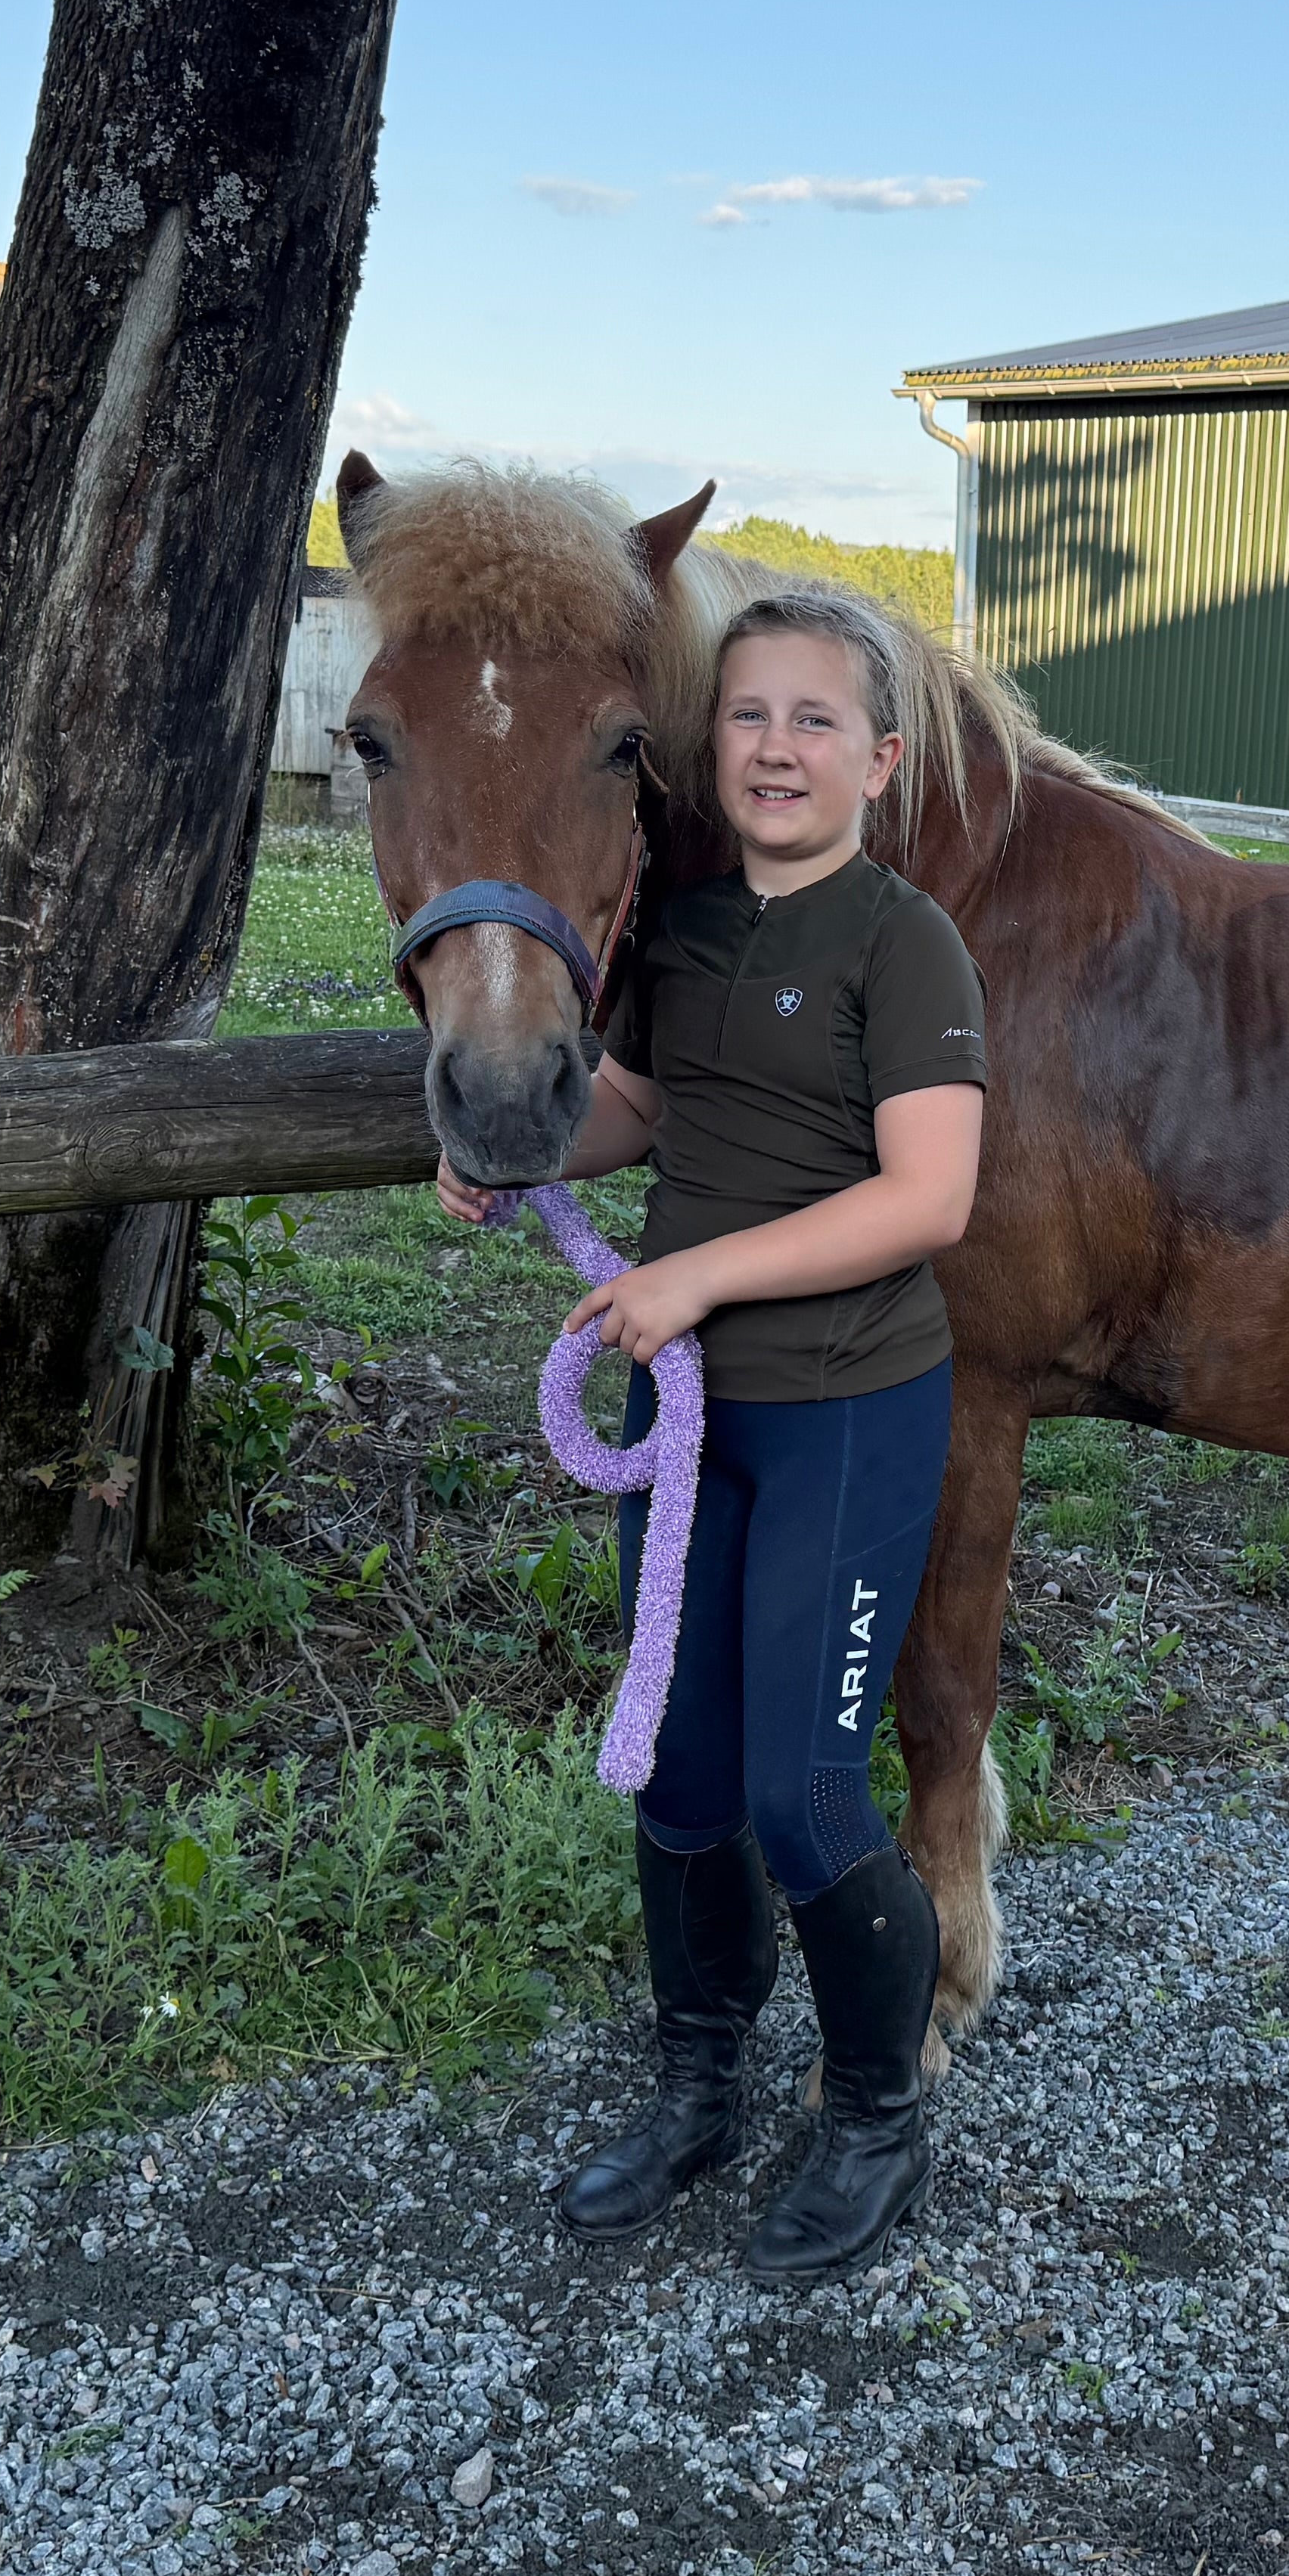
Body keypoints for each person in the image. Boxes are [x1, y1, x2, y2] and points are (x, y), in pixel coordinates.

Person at [436, 586, 987, 2279]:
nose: (777, 747)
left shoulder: (907, 947)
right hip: (696, 1430)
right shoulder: (682, 938)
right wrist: (516, 1146)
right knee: (677, 1782)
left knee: (808, 1794)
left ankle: (877, 2118)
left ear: (879, 761)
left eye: (816, 720)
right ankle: (698, 2090)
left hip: (843, 1415)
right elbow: (657, 1110)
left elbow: (932, 1195)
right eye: (749, 715)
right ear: (708, 746)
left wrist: (697, 1281)